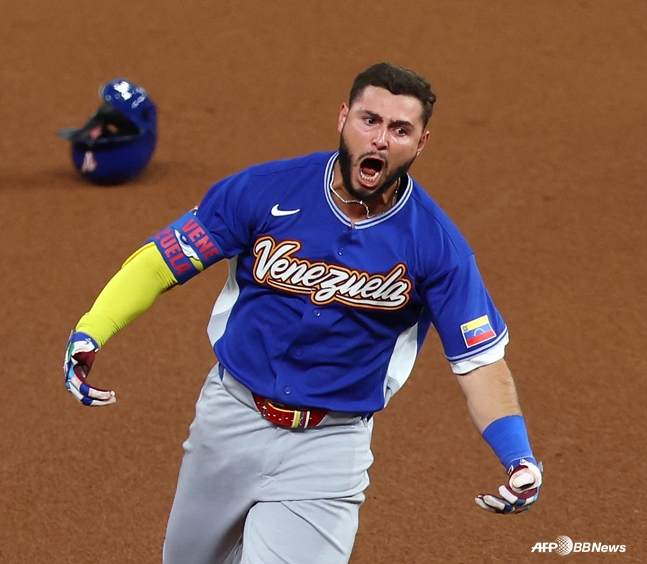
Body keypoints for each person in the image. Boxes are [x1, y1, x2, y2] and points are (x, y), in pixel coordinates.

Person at [63, 62, 542, 564]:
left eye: (400, 130)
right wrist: (92, 330)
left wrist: (518, 455)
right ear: (343, 118)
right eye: (369, 120)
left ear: (421, 143)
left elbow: (479, 362)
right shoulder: (264, 190)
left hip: (329, 446)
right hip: (229, 421)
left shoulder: (437, 246)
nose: (380, 140)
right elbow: (163, 262)